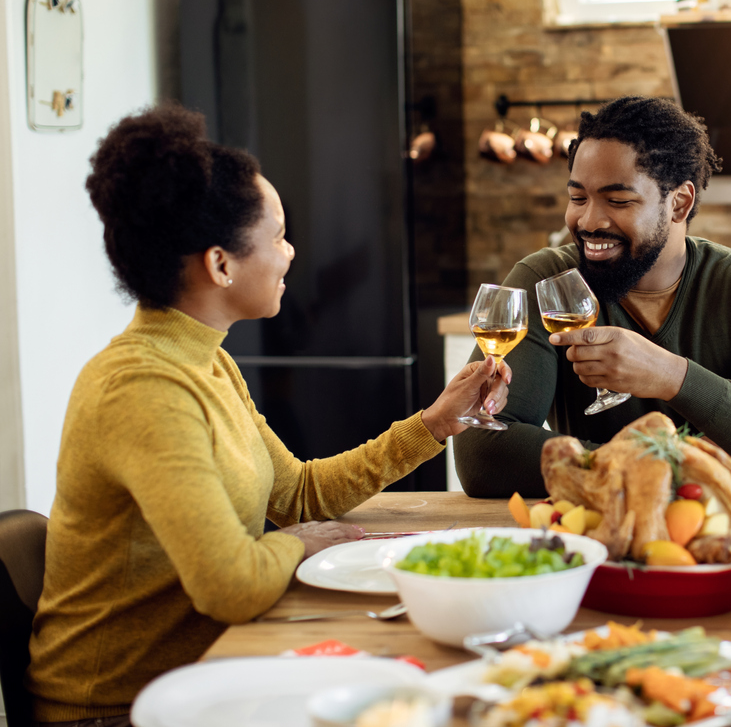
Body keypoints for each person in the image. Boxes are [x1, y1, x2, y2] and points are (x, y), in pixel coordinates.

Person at [25, 106, 510, 726]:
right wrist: (300, 544)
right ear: (221, 264)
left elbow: (299, 493)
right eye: (278, 234)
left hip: (207, 671)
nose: (291, 251)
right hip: (119, 709)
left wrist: (435, 423)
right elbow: (233, 585)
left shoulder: (206, 362)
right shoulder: (142, 389)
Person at [454, 96, 731, 498]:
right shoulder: (546, 281)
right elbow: (482, 454)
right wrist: (655, 471)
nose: (588, 221)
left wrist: (671, 375)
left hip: (727, 542)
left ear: (679, 203)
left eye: (618, 200)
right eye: (577, 198)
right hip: (595, 539)